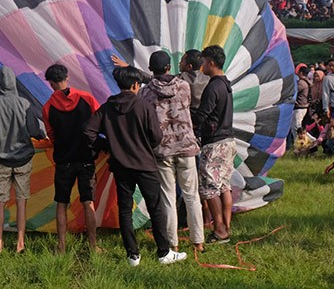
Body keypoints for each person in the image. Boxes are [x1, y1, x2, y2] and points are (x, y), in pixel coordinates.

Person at [84, 66, 185, 266]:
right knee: (156, 208)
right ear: (135, 85)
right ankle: (163, 253)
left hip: (121, 167)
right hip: (145, 164)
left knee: (124, 210)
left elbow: (88, 131)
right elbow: (156, 137)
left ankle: (133, 255)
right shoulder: (144, 107)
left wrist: (108, 146)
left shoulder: (107, 108)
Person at [139, 51, 204, 253]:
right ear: (168, 67)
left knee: (167, 197)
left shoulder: (145, 93)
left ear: (151, 69)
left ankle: (172, 244)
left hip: (162, 150)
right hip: (186, 146)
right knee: (192, 195)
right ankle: (198, 242)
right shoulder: (184, 86)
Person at [0, 66, 46, 254]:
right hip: (23, 159)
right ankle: (20, 243)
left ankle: (0, 244)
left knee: (0, 201)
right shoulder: (24, 104)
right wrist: (42, 135)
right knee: (21, 201)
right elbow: (34, 131)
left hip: (1, 159)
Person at [41, 63, 100, 253]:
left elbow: (51, 135)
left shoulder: (48, 107)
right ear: (67, 77)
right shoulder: (87, 98)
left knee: (61, 203)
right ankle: (93, 245)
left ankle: (62, 246)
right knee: (88, 202)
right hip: (86, 159)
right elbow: (98, 124)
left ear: (50, 83)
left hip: (64, 160)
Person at [192, 45, 236, 245]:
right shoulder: (225, 84)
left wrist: (189, 123)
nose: (201, 65)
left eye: (203, 62)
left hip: (215, 143)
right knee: (224, 186)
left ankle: (219, 230)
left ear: (211, 63)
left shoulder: (213, 86)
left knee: (210, 188)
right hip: (228, 140)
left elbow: (203, 114)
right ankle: (226, 227)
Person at [290, 65, 311, 150]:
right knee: (295, 126)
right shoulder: (306, 81)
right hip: (302, 107)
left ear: (301, 72)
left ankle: (309, 141)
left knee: (297, 127)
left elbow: (293, 91)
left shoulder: (301, 83)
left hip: (300, 107)